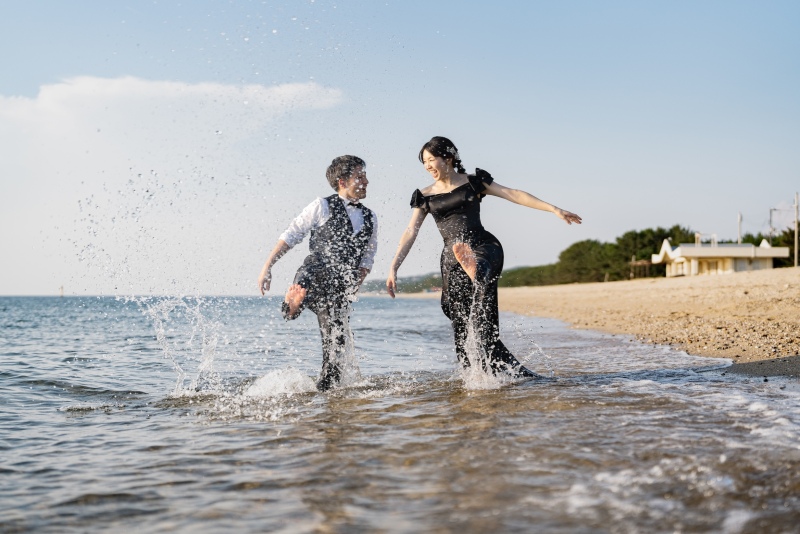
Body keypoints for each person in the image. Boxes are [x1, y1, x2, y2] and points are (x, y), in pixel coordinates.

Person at [386, 136, 581, 378]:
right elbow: (410, 231)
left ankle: (476, 267)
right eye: (423, 162)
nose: (427, 166)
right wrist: (394, 266)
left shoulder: (474, 182)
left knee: (482, 273)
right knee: (464, 324)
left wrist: (554, 209)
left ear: (448, 158)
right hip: (452, 260)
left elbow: (514, 194)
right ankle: (488, 377)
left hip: (483, 245)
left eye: (431, 160)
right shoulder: (425, 195)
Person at [258, 155, 377, 391]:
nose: (366, 181)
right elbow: (292, 234)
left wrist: (356, 283)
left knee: (336, 345)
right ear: (342, 181)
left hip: (339, 286)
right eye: (359, 176)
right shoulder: (321, 205)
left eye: (365, 176)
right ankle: (293, 305)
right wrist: (267, 266)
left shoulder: (370, 216)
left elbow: (367, 257)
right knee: (302, 294)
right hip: (314, 274)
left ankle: (326, 391)